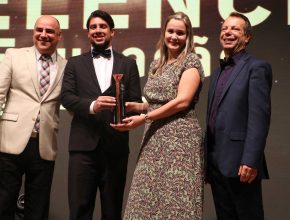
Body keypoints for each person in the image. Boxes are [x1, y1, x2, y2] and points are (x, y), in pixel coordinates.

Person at [111, 12, 204, 219]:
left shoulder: (191, 62)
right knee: (144, 199)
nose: (174, 36)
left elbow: (182, 101)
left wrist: (144, 118)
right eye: (170, 31)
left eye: (180, 33)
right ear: (164, 33)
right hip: (154, 139)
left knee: (177, 200)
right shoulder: (157, 64)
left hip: (180, 141)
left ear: (187, 36)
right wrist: (137, 107)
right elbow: (156, 103)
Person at [60, 10, 142, 220]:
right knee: (79, 210)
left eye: (102, 26)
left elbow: (136, 100)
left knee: (112, 211)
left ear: (112, 32)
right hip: (82, 149)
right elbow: (67, 98)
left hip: (115, 147)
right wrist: (93, 105)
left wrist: (138, 110)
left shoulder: (129, 64)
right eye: (93, 27)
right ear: (88, 33)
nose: (98, 30)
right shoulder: (74, 63)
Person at [205, 12, 272, 220]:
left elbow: (259, 118)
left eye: (235, 29)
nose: (228, 32)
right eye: (224, 28)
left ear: (247, 37)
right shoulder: (216, 72)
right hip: (216, 162)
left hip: (242, 163)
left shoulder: (257, 67)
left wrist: (251, 160)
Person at [0, 15, 66, 219]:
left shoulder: (67, 66)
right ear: (33, 32)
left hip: (44, 144)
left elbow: (72, 101)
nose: (44, 35)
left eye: (50, 31)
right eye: (40, 30)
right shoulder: (14, 55)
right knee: (3, 202)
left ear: (59, 36)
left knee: (37, 208)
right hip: (10, 141)